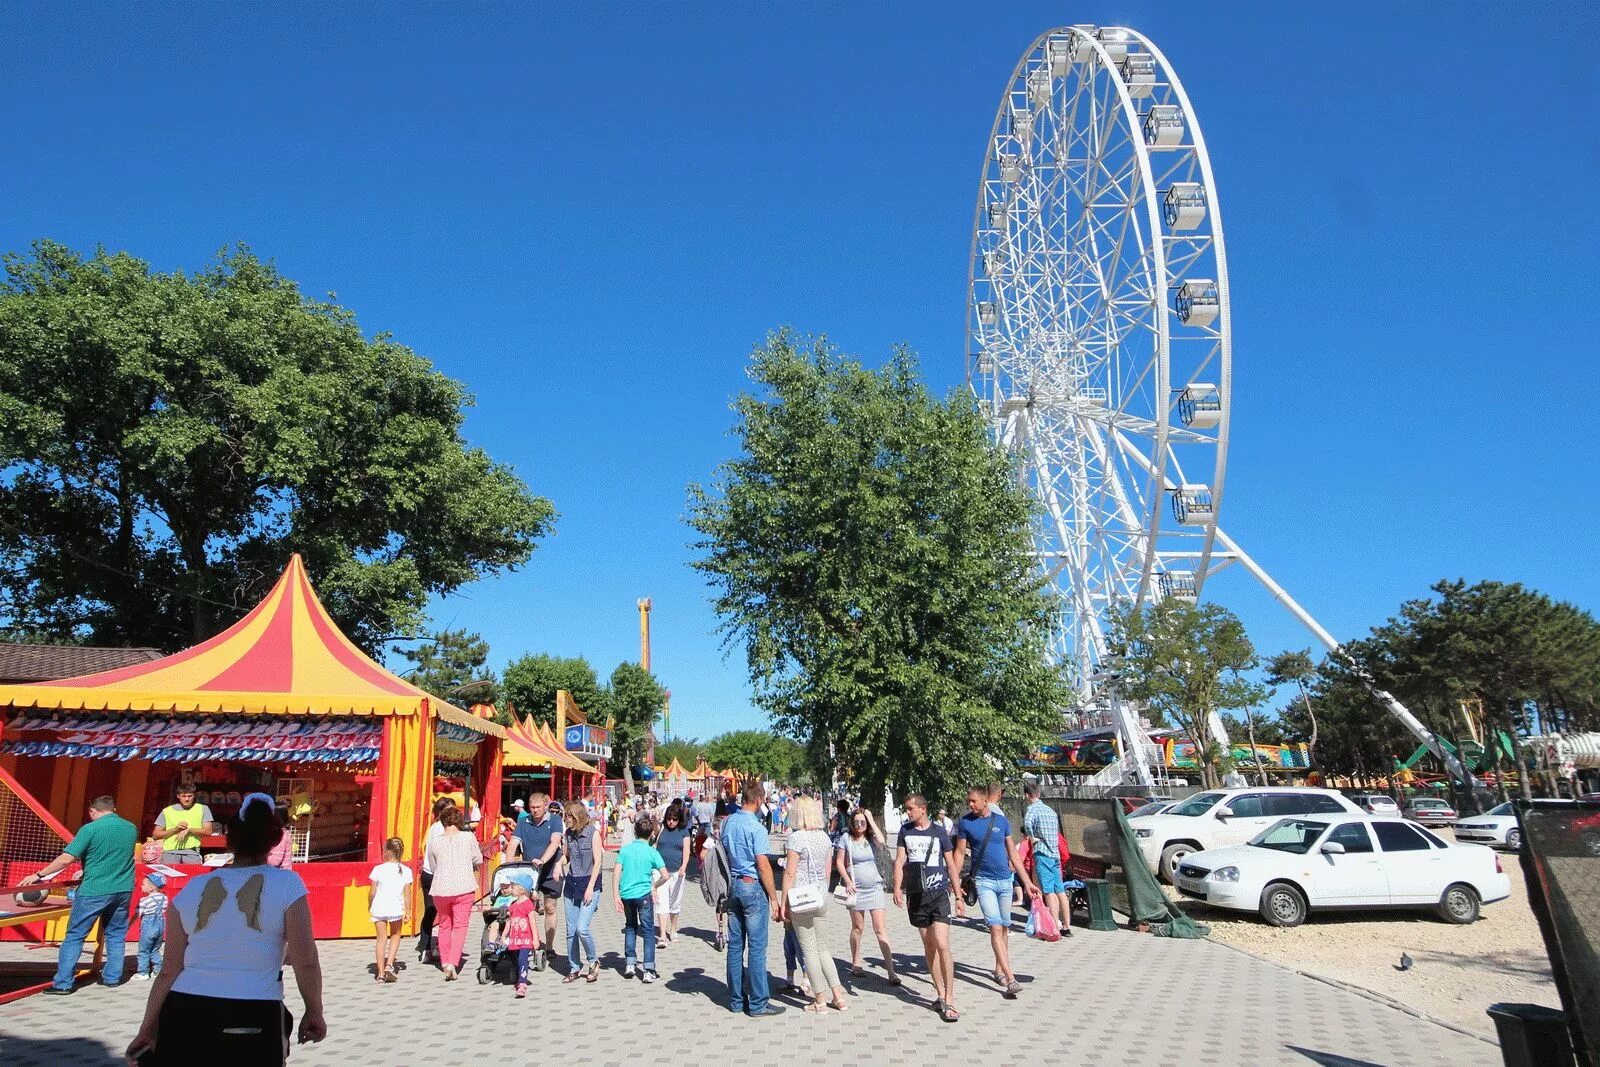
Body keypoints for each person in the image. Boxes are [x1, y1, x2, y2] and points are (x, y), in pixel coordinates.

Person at [124, 792, 326, 1064]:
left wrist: (147, 1029)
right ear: (276, 840)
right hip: (254, 1009)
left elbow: (169, 969)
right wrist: (314, 1011)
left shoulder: (191, 890)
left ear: (229, 840)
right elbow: (305, 959)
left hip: (184, 1008)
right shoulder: (288, 885)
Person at [20, 794, 138, 994]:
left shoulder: (90, 829)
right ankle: (112, 978)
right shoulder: (130, 828)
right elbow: (115, 854)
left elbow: (66, 859)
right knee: (116, 934)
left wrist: (39, 875)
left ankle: (63, 983)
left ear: (92, 811)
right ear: (114, 809)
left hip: (95, 890)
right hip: (123, 889)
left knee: (75, 935)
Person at [952, 784, 1039, 999]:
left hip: (1004, 881)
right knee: (994, 926)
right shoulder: (965, 823)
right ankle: (1010, 978)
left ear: (984, 801)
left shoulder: (1001, 821)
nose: (970, 804)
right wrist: (954, 884)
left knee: (1004, 927)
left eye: (973, 801)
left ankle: (999, 969)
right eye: (968, 801)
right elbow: (960, 853)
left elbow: (1013, 854)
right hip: (984, 882)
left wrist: (1027, 883)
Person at [892, 793, 959, 1023]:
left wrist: (959, 896)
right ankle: (939, 993)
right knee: (929, 946)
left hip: (939, 893)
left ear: (923, 808)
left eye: (911, 808)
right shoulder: (905, 831)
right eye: (906, 808)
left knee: (942, 944)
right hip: (917, 895)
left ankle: (950, 999)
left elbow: (950, 864)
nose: (908, 812)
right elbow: (900, 860)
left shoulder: (939, 832)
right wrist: (897, 887)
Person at [721, 780, 784, 1018]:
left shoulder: (728, 822)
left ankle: (736, 1000)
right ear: (758, 799)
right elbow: (763, 865)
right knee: (757, 948)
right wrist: (774, 898)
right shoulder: (757, 828)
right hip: (751, 886)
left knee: (735, 946)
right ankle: (758, 1003)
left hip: (732, 886)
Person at [780, 797, 847, 1013]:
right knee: (823, 948)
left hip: (801, 897)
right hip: (820, 896)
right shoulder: (825, 838)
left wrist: (784, 903)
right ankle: (838, 996)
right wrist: (822, 891)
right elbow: (828, 873)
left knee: (809, 950)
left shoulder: (796, 838)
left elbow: (790, 873)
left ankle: (820, 999)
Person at [835, 807, 898, 985]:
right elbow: (839, 862)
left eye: (862, 822)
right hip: (856, 890)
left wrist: (870, 819)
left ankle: (891, 971)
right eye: (857, 822)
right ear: (852, 823)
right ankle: (855, 962)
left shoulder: (871, 839)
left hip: (875, 888)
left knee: (880, 929)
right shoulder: (846, 839)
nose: (860, 825)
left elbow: (883, 841)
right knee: (858, 927)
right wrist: (847, 881)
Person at [423, 805, 482, 979]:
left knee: (444, 925)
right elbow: (477, 859)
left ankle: (444, 961)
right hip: (463, 887)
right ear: (458, 821)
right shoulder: (468, 837)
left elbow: (433, 867)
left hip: (440, 888)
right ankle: (453, 963)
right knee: (460, 926)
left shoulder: (434, 842)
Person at [510, 791, 565, 965]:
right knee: (525, 907)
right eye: (532, 808)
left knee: (550, 907)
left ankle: (549, 946)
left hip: (549, 870)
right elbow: (513, 844)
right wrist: (509, 864)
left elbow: (555, 842)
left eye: (538, 807)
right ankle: (527, 941)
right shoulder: (523, 822)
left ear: (545, 806)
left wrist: (542, 860)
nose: (535, 811)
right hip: (529, 871)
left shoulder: (555, 820)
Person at [614, 814, 668, 982]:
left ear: (635, 833)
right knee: (648, 930)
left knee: (630, 927)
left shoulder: (625, 850)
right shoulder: (652, 852)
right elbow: (665, 875)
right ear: (651, 834)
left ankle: (630, 963)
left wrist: (615, 894)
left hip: (627, 894)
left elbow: (616, 872)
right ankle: (648, 969)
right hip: (644, 894)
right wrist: (654, 886)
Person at [559, 801, 604, 983]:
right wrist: (558, 864)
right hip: (571, 883)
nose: (566, 820)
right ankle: (574, 966)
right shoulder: (568, 834)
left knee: (582, 928)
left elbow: (598, 862)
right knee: (571, 930)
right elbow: (566, 856)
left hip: (589, 883)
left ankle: (593, 961)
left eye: (569, 816)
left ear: (577, 817)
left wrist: (590, 888)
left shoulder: (593, 834)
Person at [1022, 781, 1070, 937]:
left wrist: (1032, 837)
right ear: (1039, 793)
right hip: (1055, 853)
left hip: (1043, 853)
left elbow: (1027, 824)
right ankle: (1067, 926)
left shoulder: (1032, 809)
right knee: (1060, 890)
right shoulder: (1050, 811)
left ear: (1026, 795)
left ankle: (1053, 926)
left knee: (1048, 892)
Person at [369, 836, 412, 983]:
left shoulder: (378, 869)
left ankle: (380, 974)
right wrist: (408, 911)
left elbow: (372, 892)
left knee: (381, 940)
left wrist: (370, 904)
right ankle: (389, 964)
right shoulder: (406, 871)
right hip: (395, 907)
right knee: (395, 935)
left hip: (379, 907)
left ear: (386, 852)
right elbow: (407, 894)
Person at [417, 796, 455, 963]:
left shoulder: (439, 828)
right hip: (435, 874)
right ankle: (432, 947)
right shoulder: (439, 829)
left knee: (434, 911)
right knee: (439, 911)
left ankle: (430, 947)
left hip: (433, 873)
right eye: (449, 811)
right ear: (440, 813)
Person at [652, 800, 692, 946]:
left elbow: (686, 850)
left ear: (679, 819)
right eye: (669, 818)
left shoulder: (684, 831)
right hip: (660, 871)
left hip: (677, 872)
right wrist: (655, 821)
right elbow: (654, 835)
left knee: (674, 902)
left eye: (674, 819)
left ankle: (673, 928)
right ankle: (662, 934)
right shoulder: (662, 828)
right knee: (661, 902)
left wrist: (684, 866)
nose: (671, 822)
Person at [151, 784, 217, 865]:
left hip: (192, 852)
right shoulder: (167, 811)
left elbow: (208, 831)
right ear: (178, 796)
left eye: (190, 796)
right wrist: (175, 829)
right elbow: (155, 835)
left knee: (193, 876)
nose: (187, 799)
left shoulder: (202, 809)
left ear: (194, 796)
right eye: (184, 796)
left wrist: (189, 830)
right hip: (170, 852)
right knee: (169, 876)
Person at [501, 872, 542, 998]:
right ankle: (518, 976)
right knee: (515, 958)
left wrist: (535, 938)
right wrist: (503, 936)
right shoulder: (512, 905)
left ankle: (522, 983)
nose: (510, 889)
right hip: (515, 938)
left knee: (522, 959)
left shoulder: (528, 904)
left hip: (525, 938)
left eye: (513, 887)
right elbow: (509, 921)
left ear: (522, 890)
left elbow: (532, 922)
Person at [131, 872, 168, 981]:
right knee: (155, 949)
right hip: (161, 925)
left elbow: (138, 914)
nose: (141, 886)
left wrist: (129, 924)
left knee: (144, 950)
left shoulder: (144, 901)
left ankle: (143, 972)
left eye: (143, 884)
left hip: (149, 925)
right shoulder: (164, 898)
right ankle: (158, 970)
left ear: (151, 887)